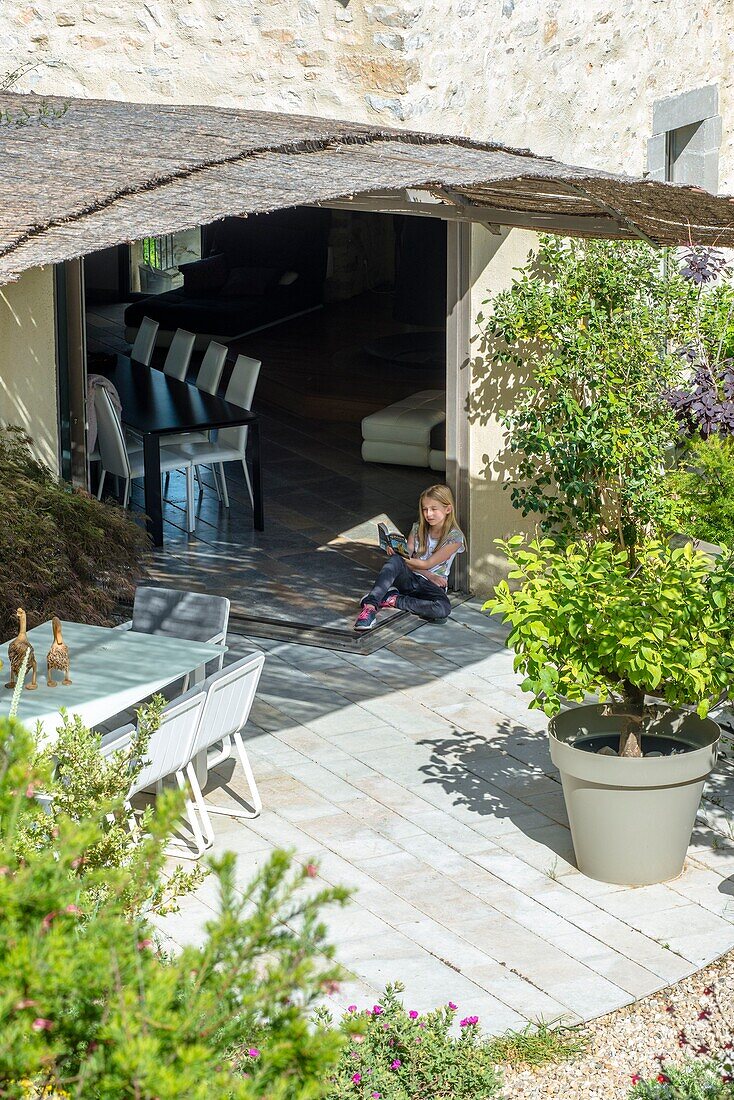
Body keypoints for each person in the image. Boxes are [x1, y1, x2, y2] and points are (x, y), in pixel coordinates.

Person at [354, 484, 465, 631]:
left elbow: (426, 563)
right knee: (395, 560)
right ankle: (370, 607)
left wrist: (413, 565)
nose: (428, 514)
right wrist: (398, 554)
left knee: (442, 609)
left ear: (448, 509)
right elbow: (407, 557)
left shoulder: (455, 538)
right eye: (425, 509)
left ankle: (392, 599)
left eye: (433, 509)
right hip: (409, 579)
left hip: (431, 587)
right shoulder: (417, 528)